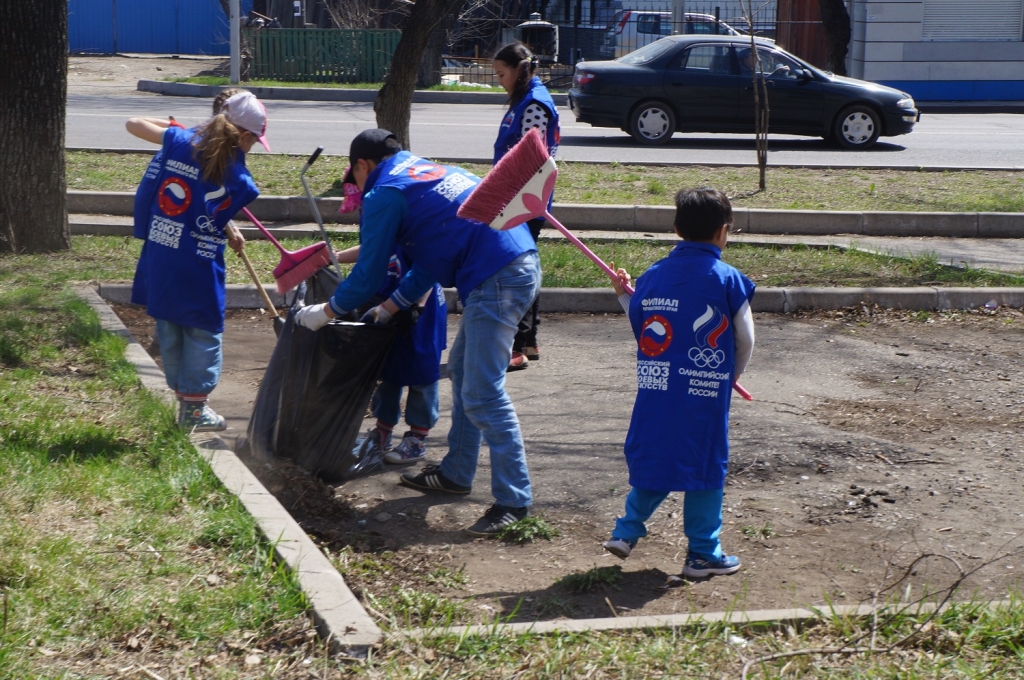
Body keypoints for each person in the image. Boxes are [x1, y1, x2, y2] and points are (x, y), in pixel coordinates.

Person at [294, 129, 541, 536]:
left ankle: (514, 501)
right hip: (513, 265)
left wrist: (326, 311)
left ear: (362, 164)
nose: (355, 185)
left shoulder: (384, 191)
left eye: (352, 175)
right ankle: (456, 473)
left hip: (497, 279)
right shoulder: (428, 173)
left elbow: (369, 271)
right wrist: (390, 307)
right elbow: (430, 260)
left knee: (482, 392)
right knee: (464, 375)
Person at [602, 187, 755, 578]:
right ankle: (703, 554)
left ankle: (626, 531)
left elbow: (646, 325)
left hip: (657, 390)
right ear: (724, 231)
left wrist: (623, 295)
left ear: (676, 228)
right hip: (703, 393)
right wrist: (729, 377)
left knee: (658, 457)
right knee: (705, 469)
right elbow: (746, 338)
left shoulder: (652, 276)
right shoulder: (728, 279)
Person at [128, 92, 270, 431]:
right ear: (246, 136)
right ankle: (195, 410)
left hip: (162, 253)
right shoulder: (241, 180)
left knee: (171, 322)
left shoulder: (179, 141)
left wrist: (177, 127)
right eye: (254, 141)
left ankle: (183, 402)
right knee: (203, 330)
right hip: (198, 262)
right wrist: (227, 224)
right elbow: (210, 200)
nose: (252, 149)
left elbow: (132, 123)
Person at [333, 240, 448, 466]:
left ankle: (417, 437)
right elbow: (372, 248)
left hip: (421, 309)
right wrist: (335, 256)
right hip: (388, 304)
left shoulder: (415, 225)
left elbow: (429, 266)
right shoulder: (387, 227)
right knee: (388, 367)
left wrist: (417, 306)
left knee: (421, 374)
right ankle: (382, 431)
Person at [492, 42, 560, 371]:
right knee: (525, 267)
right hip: (520, 200)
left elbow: (532, 159)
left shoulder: (533, 103)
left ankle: (517, 347)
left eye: (502, 74)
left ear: (519, 70)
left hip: (523, 203)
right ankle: (529, 340)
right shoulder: (526, 99)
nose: (499, 81)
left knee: (517, 272)